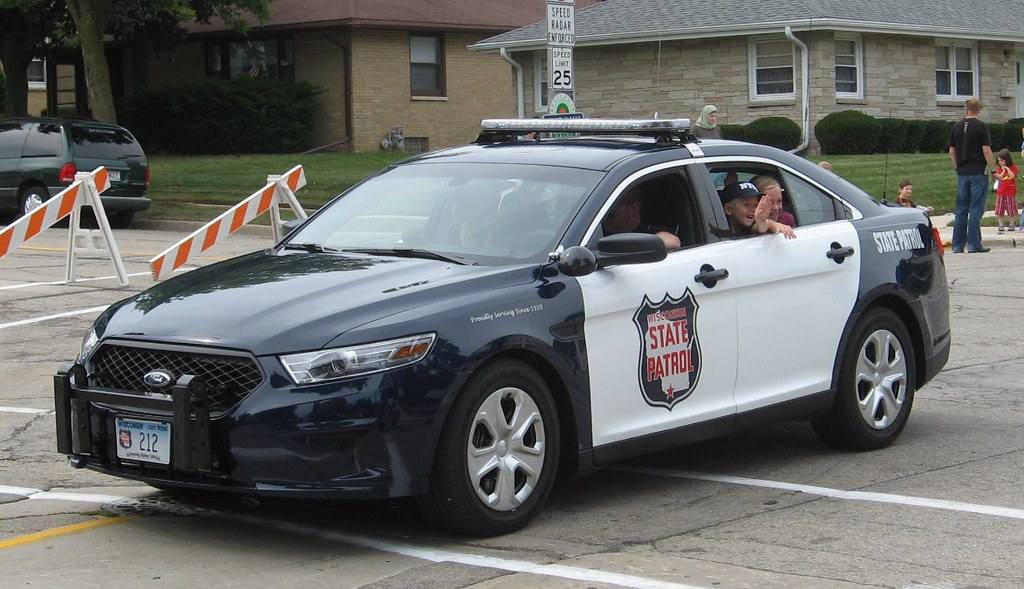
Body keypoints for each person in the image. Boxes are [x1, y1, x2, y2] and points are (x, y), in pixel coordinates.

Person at [948, 97, 997, 253]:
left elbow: (952, 151)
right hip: (978, 172)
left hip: (962, 173)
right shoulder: (981, 127)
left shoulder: (956, 127)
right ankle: (974, 244)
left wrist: (958, 167)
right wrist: (994, 170)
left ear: (966, 108)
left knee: (961, 209)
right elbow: (986, 150)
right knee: (976, 208)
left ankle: (957, 245)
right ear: (979, 109)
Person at [602, 186, 682, 250]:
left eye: (610, 213)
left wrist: (637, 247)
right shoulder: (595, 229)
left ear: (634, 209)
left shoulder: (647, 234)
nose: (604, 219)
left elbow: (673, 241)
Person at [719, 181, 796, 239]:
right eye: (747, 205)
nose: (753, 209)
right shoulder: (718, 229)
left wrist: (763, 221)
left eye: (756, 205)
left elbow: (762, 226)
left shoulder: (752, 227)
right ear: (728, 209)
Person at [993, 149, 1018, 232]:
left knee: (1011, 209)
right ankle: (1001, 225)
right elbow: (999, 177)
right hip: (1001, 193)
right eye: (999, 161)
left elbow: (1012, 176)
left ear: (1007, 160)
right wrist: (1003, 170)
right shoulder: (999, 170)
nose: (1000, 163)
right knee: (1000, 209)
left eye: (1002, 161)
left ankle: (1012, 224)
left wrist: (1007, 169)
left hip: (1010, 192)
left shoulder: (1013, 168)